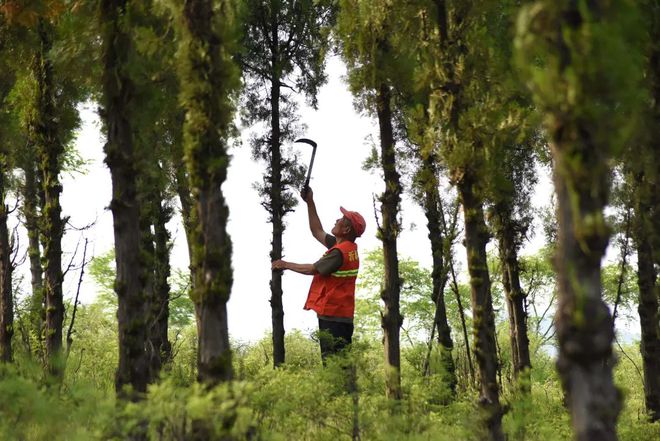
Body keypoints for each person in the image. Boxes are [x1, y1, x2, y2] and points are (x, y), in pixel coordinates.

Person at [271, 187, 366, 362]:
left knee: (333, 365)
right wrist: (310, 202)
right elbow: (317, 231)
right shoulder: (346, 247)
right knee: (340, 365)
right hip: (340, 316)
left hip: (334, 316)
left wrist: (285, 264)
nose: (337, 219)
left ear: (346, 230)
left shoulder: (338, 252)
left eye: (342, 219)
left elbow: (313, 269)